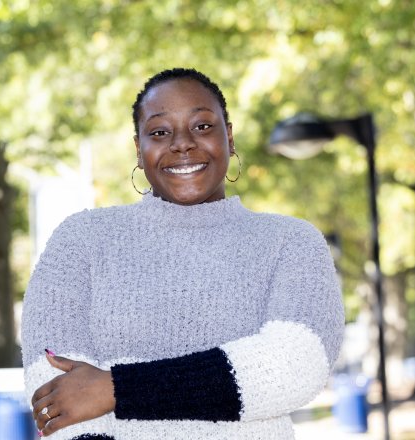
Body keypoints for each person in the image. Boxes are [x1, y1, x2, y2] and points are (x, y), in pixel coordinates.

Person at [20, 67, 344, 439]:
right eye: (159, 132)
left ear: (230, 137)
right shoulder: (81, 240)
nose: (182, 143)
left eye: (203, 126)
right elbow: (57, 397)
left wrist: (116, 389)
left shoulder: (291, 242)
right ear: (139, 151)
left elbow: (294, 365)